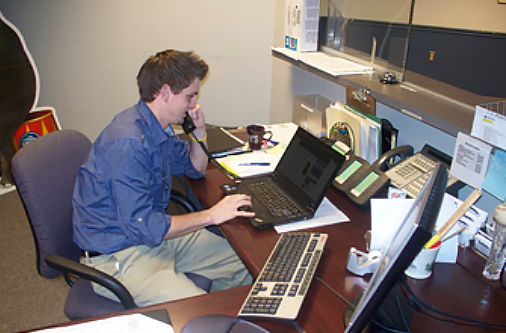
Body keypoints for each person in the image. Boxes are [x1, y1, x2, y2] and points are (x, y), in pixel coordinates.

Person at [72, 49, 255, 306]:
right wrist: (212, 215)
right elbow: (146, 226)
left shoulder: (159, 128)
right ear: (166, 92)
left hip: (154, 239)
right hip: (120, 254)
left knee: (245, 264)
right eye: (190, 96)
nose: (194, 105)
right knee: (198, 311)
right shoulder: (128, 144)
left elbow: (195, 168)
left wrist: (198, 132)